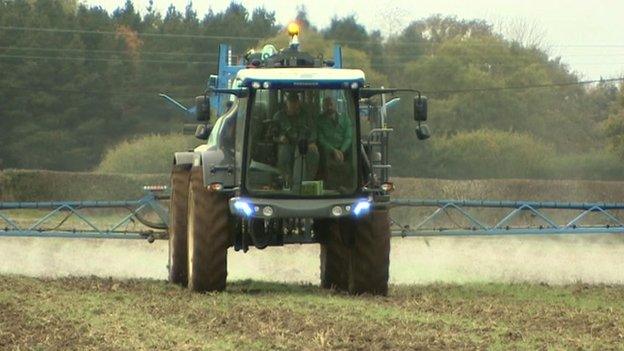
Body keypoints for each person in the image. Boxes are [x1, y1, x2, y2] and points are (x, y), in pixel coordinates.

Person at [273, 92, 319, 186]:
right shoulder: (278, 117)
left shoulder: (306, 116)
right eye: (291, 103)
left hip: (304, 144)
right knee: (283, 153)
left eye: (295, 103)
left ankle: (308, 182)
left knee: (314, 152)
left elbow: (313, 131)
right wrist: (280, 138)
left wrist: (311, 142)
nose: (293, 106)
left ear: (299, 103)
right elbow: (273, 135)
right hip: (286, 144)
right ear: (287, 103)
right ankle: (287, 180)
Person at [318, 96, 353, 189]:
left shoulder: (345, 118)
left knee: (358, 151)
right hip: (328, 151)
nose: (329, 107)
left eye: (331, 105)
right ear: (322, 107)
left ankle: (365, 180)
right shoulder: (319, 121)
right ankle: (331, 187)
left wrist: (341, 151)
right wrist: (333, 151)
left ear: (336, 105)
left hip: (345, 150)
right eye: (326, 105)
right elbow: (321, 139)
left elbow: (349, 136)